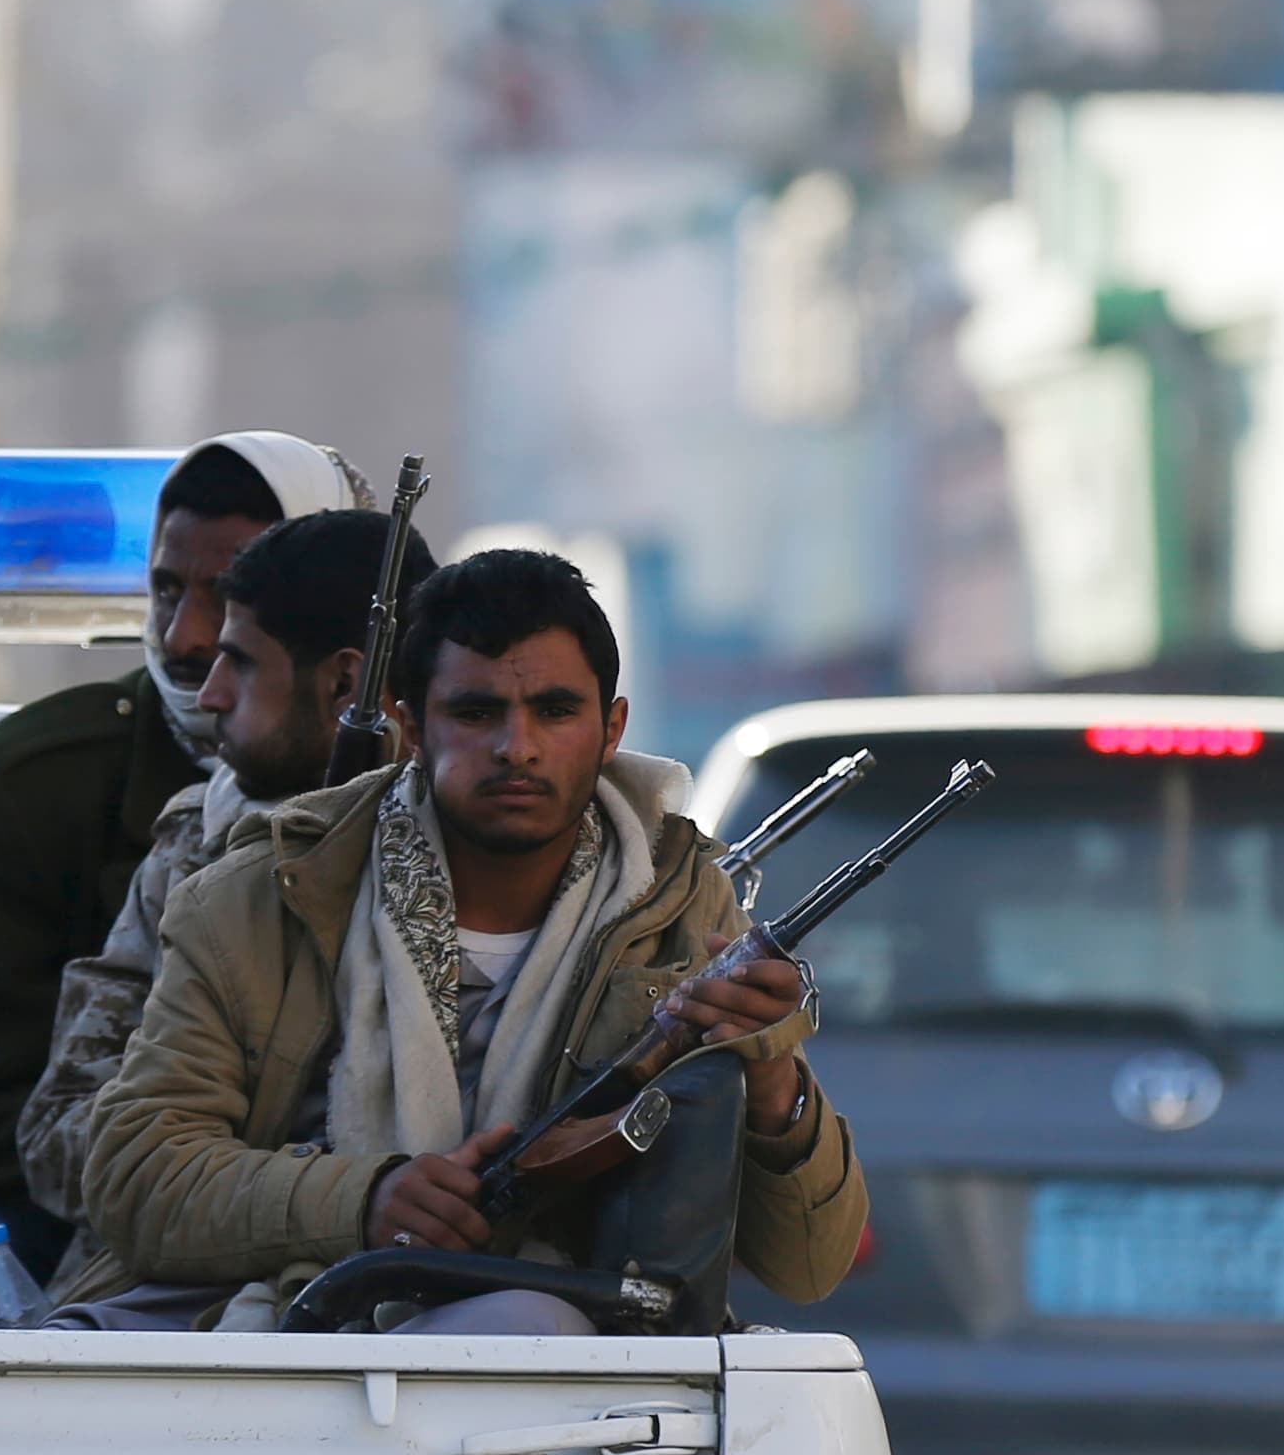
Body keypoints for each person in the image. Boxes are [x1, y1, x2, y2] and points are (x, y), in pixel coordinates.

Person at [64, 547, 866, 1331]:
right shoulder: (265, 897)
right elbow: (138, 1172)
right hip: (275, 1341)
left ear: (612, 726)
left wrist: (770, 1082)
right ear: (412, 727)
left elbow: (809, 1265)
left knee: (531, 1322)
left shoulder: (683, 909)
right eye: (477, 712)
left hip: (557, 1377)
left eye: (555, 711)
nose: (517, 747)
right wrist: (364, 1200)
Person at [0, 431, 369, 1325]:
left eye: (229, 598)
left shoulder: (461, 815)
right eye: (165, 589)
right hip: (86, 1212)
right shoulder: (68, 797)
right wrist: (234, 1183)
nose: (190, 638)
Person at [19, 506, 436, 1250]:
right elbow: (63, 1134)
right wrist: (309, 1185)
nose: (209, 693)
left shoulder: (490, 856)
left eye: (238, 661)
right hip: (184, 1296)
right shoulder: (197, 853)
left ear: (348, 682)